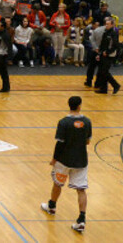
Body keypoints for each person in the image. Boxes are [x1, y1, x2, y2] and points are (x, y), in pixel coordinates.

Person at [41, 96, 92, 234]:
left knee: (58, 184)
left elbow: (60, 143)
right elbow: (88, 142)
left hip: (64, 160)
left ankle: (52, 206)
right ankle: (81, 220)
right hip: (81, 160)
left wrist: (54, 159)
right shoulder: (87, 122)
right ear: (80, 105)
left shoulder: (63, 122)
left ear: (69, 105)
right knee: (81, 190)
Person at [95, 17, 122, 94]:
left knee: (104, 71)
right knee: (102, 71)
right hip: (103, 54)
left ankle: (116, 85)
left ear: (112, 25)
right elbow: (102, 44)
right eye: (105, 24)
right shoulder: (105, 32)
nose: (106, 25)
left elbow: (115, 45)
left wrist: (107, 52)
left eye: (108, 24)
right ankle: (104, 89)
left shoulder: (114, 33)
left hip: (109, 55)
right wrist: (99, 54)